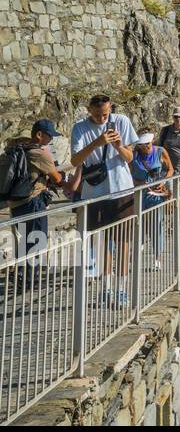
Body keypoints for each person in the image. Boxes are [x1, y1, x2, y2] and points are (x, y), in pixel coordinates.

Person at [71, 95, 140, 303]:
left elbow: (130, 159)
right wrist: (97, 142)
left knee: (122, 241)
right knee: (101, 242)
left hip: (120, 189)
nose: (103, 118)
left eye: (106, 114)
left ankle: (122, 288)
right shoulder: (80, 128)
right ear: (89, 110)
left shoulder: (121, 121)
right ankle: (107, 287)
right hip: (94, 193)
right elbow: (75, 160)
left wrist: (119, 145)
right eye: (98, 115)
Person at [2, 119, 64, 283]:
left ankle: (21, 275)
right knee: (37, 239)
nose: (51, 139)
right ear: (39, 134)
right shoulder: (40, 153)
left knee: (24, 240)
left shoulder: (17, 149)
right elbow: (57, 178)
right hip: (33, 201)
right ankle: (31, 278)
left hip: (15, 203)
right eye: (49, 136)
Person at [129, 133, 174, 264]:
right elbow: (128, 173)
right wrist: (137, 183)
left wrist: (163, 182)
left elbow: (170, 169)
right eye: (143, 144)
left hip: (155, 193)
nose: (147, 147)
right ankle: (137, 249)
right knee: (138, 223)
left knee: (157, 225)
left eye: (148, 143)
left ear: (152, 141)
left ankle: (158, 257)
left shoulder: (160, 151)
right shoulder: (134, 155)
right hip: (139, 194)